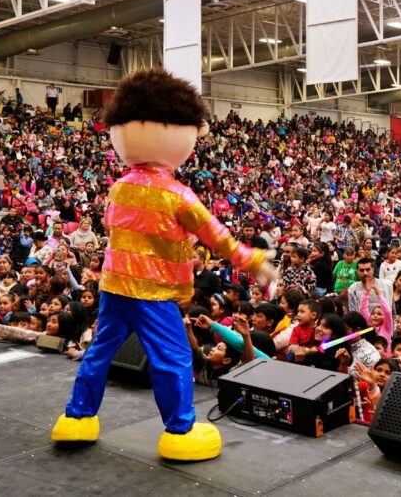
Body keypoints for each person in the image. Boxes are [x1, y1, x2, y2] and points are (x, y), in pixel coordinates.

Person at [51, 69, 274, 462]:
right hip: (153, 293)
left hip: (114, 286)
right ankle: (180, 430)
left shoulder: (119, 187)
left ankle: (77, 417)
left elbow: (112, 229)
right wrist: (252, 260)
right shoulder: (178, 195)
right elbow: (216, 236)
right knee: (173, 358)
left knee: (99, 352)